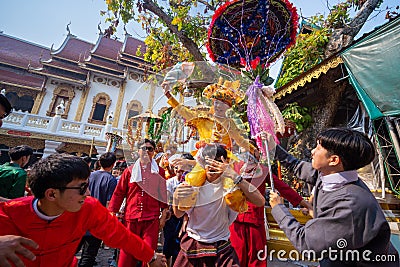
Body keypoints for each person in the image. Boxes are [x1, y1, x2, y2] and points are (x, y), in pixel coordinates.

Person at [0, 153, 167, 267]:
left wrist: (151, 257)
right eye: (81, 188)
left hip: (149, 217)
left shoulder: (89, 208)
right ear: (51, 194)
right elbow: (119, 193)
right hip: (133, 214)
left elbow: (122, 237)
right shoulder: (9, 215)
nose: (88, 193)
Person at [270, 128, 398, 266]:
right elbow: (296, 166)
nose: (312, 151)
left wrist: (278, 208)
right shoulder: (329, 176)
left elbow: (306, 243)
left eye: (318, 148)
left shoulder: (349, 204)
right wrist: (272, 147)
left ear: (334, 160)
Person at [172, 143, 265, 266]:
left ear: (224, 163)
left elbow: (260, 201)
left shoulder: (231, 187)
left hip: (221, 247)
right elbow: (178, 214)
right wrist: (175, 198)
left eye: (216, 161)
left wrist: (234, 175)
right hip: (194, 244)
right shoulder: (193, 184)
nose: (212, 165)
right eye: (208, 160)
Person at [229, 140, 312, 267]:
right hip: (237, 220)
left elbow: (284, 188)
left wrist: (305, 204)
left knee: (251, 258)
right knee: (241, 258)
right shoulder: (234, 169)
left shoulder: (260, 170)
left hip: (252, 220)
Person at [108, 139, 169, 267]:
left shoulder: (160, 172)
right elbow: (119, 193)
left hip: (151, 220)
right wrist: (112, 212)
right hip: (131, 218)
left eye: (150, 149)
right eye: (144, 148)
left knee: (148, 255)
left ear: (154, 152)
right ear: (138, 151)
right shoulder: (129, 171)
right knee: (126, 255)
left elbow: (163, 195)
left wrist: (163, 214)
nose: (147, 151)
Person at [78, 152, 117, 267]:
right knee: (89, 254)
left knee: (73, 249)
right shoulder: (111, 180)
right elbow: (109, 203)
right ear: (113, 164)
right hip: (97, 220)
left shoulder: (90, 175)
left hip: (82, 216)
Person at [163, 153, 194, 266]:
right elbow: (167, 202)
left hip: (188, 220)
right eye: (178, 168)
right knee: (168, 246)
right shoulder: (170, 183)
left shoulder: (195, 183)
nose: (180, 172)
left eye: (184, 170)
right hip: (172, 219)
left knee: (181, 248)